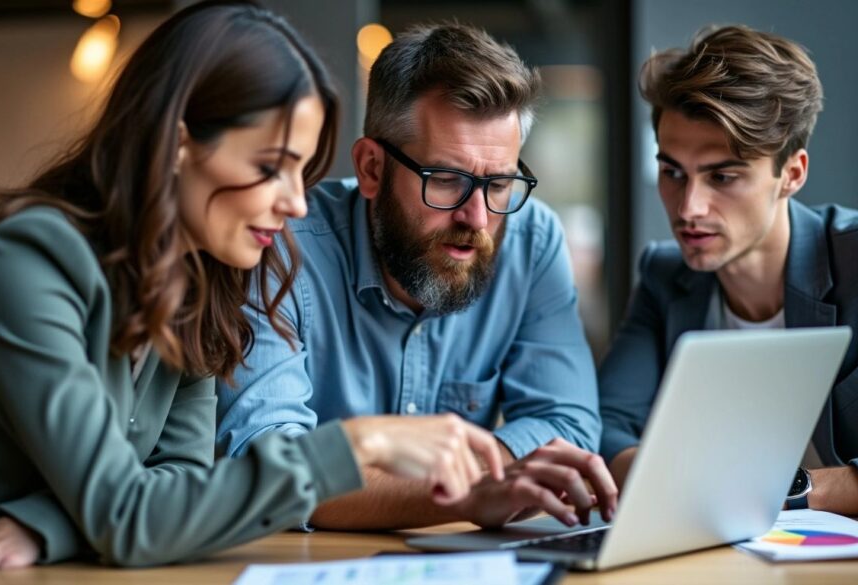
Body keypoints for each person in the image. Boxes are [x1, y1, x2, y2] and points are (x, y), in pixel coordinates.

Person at [0, 3, 506, 582]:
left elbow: (182, 476)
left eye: (301, 169)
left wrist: (46, 522)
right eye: (269, 166)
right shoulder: (25, 263)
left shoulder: (196, 284)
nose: (293, 201)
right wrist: (358, 443)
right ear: (178, 145)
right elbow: (129, 516)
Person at [217, 22, 618, 531]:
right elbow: (265, 465)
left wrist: (366, 481)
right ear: (371, 169)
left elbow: (569, 428)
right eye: (446, 180)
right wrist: (469, 492)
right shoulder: (277, 244)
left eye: (498, 185)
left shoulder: (532, 239)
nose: (476, 218)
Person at [599, 25, 858, 519]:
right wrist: (678, 490)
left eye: (723, 176)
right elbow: (610, 425)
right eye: (672, 172)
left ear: (792, 173)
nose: (688, 208)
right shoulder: (663, 276)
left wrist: (793, 492)